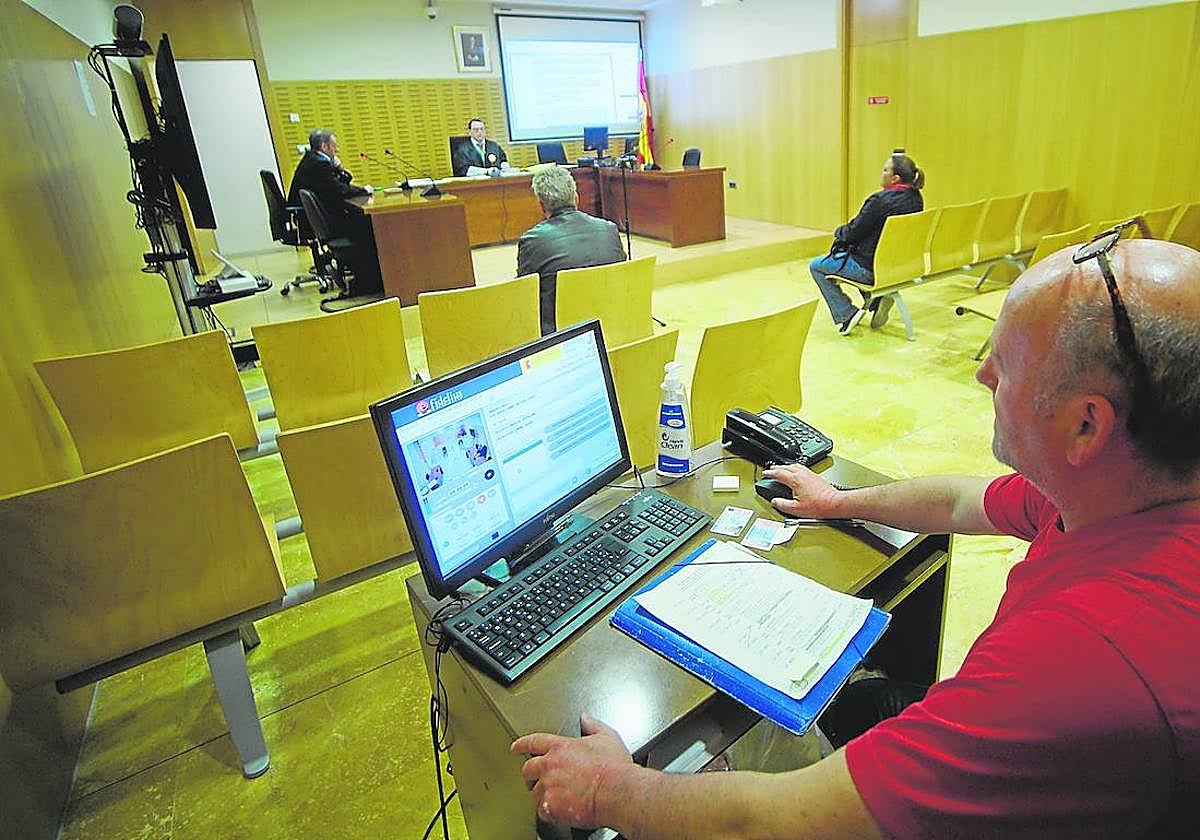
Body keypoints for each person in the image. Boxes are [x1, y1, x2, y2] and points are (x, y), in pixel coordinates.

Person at [512, 234, 1200, 838]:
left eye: (1005, 364)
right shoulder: (1116, 486)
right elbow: (965, 500)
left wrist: (608, 790)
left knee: (710, 757)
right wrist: (837, 500)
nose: (979, 374)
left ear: (1087, 425)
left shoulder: (1083, 666)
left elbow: (772, 823)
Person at [811, 152, 925, 334]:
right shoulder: (916, 199)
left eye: (885, 170)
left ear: (895, 178)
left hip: (870, 269)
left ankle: (846, 314)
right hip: (896, 267)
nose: (881, 173)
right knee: (859, 252)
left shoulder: (879, 201)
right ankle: (877, 299)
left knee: (816, 266)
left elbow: (852, 233)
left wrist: (838, 231)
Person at [516, 166, 626, 335]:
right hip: (613, 323)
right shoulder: (610, 229)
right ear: (576, 198)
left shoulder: (532, 241)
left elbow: (525, 295)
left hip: (561, 335)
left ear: (541, 206)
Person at [287, 128, 382, 295]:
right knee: (368, 225)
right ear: (324, 146)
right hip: (317, 221)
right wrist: (363, 190)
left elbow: (337, 184)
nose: (336, 149)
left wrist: (339, 169)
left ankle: (359, 273)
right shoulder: (319, 164)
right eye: (334, 146)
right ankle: (367, 280)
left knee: (363, 221)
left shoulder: (312, 160)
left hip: (310, 218)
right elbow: (338, 190)